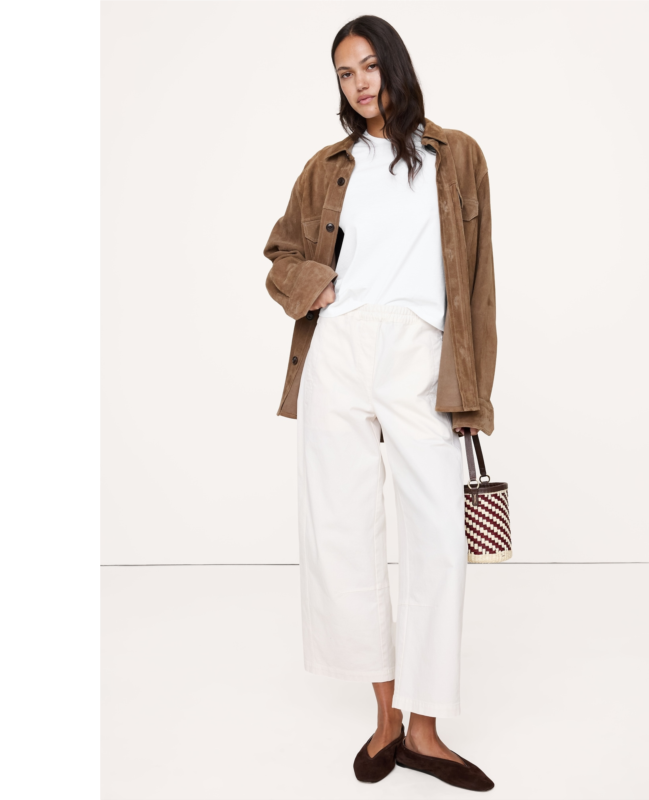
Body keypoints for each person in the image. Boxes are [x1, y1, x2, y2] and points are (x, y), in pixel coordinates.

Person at [262, 15, 497, 792]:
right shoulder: (327, 167)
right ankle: (387, 717)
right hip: (340, 352)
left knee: (438, 536)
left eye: (368, 65)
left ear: (394, 65)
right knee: (344, 532)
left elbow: (478, 284)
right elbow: (281, 253)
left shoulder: (456, 156)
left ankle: (426, 732)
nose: (359, 83)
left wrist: (473, 392)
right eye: (344, 73)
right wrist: (316, 287)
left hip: (421, 353)